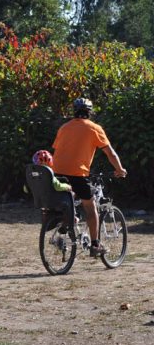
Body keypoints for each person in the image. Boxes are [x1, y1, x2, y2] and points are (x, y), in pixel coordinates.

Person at [51, 98, 127, 256]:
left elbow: (59, 151)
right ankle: (95, 245)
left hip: (57, 173)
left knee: (71, 199)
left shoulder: (64, 128)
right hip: (78, 173)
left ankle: (67, 224)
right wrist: (120, 169)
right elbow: (110, 153)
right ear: (90, 112)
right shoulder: (94, 128)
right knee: (91, 206)